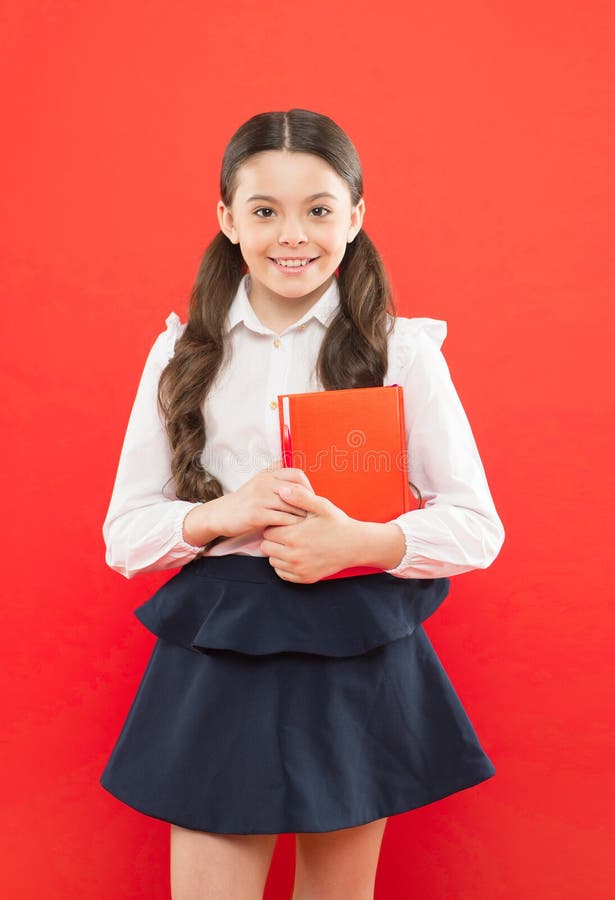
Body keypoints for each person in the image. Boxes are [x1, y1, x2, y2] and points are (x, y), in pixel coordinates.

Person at [99, 108, 505, 900]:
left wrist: (360, 543)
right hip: (222, 643)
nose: (293, 234)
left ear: (354, 216)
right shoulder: (183, 352)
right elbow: (125, 536)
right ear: (226, 219)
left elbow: (475, 526)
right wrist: (223, 513)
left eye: (319, 209)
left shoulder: (400, 349)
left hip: (353, 640)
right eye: (264, 210)